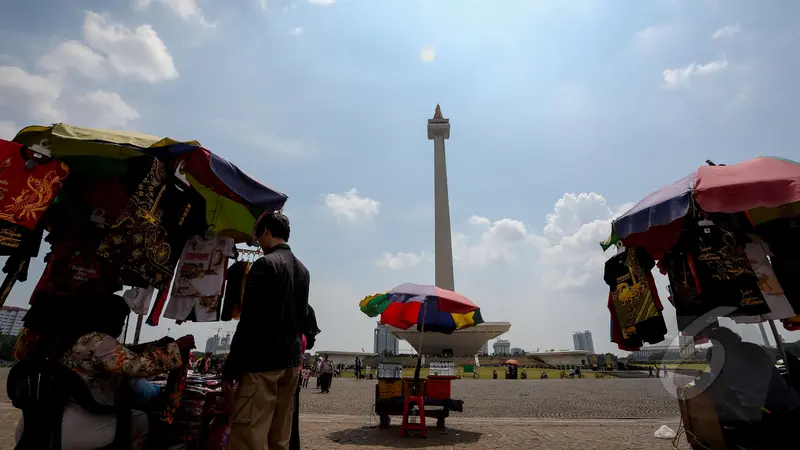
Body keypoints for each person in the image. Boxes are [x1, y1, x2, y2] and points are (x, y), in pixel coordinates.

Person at [15, 293, 195, 450]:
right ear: (108, 317)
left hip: (34, 425)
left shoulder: (73, 339)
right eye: (121, 320)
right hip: (73, 429)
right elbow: (136, 365)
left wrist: (157, 345)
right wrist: (176, 348)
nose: (122, 325)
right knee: (143, 421)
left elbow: (123, 353)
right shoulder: (97, 340)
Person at [223, 212, 311, 450]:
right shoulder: (303, 270)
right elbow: (303, 316)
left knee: (249, 436)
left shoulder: (265, 265)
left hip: (263, 364)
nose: (258, 243)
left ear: (267, 232)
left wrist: (231, 367)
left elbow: (250, 320)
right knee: (279, 437)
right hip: (290, 363)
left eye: (258, 236)